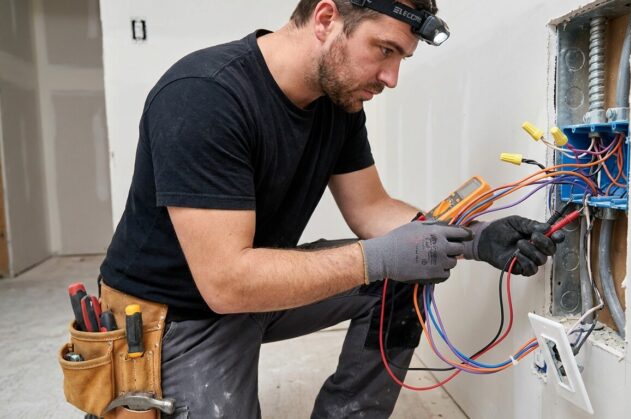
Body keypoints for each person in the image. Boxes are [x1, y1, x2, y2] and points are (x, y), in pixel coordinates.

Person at [99, 0, 564, 417]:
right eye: (384, 50)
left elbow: (372, 208)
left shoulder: (337, 106)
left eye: (401, 59)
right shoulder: (204, 94)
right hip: (178, 316)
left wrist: (474, 237)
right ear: (326, 18)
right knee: (384, 263)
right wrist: (379, 257)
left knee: (402, 276)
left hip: (255, 287)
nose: (392, 78)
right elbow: (224, 283)